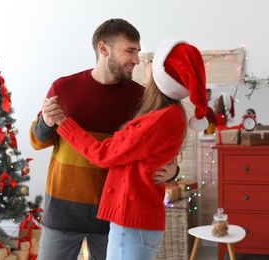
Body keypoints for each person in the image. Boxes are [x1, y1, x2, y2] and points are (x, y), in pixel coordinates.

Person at [29, 19, 180, 260]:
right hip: (62, 213)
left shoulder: (142, 98)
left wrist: (173, 169)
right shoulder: (64, 87)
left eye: (138, 52)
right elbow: (37, 141)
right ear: (103, 49)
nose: (136, 59)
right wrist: (46, 122)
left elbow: (159, 151)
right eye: (129, 51)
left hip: (113, 216)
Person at [54, 39, 208, 260]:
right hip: (135, 222)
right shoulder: (167, 114)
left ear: (162, 76)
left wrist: (64, 124)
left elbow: (103, 154)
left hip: (132, 223)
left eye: (152, 60)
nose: (142, 62)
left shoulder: (158, 119)